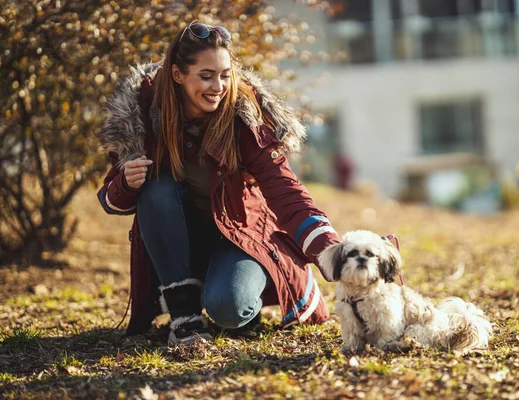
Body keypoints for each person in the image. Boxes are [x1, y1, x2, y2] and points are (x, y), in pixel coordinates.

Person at [97, 22, 340, 346]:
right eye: (207, 75)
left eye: (225, 75)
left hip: (241, 235)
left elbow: (284, 188)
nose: (218, 86)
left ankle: (263, 286)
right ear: (178, 74)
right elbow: (111, 201)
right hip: (180, 244)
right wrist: (126, 183)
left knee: (229, 310)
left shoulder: (242, 115)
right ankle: (184, 320)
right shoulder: (143, 112)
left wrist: (329, 249)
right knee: (156, 190)